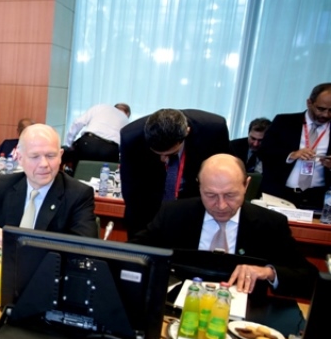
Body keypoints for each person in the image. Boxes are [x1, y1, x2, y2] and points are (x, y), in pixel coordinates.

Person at [132, 154, 317, 299]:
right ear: (199, 186)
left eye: (230, 195)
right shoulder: (174, 214)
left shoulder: (270, 224)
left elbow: (309, 277)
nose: (221, 205)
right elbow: (131, 252)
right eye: (210, 195)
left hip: (245, 321)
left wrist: (268, 272)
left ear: (246, 185)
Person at [0, 124, 98, 247]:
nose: (44, 164)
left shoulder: (78, 194)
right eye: (35, 156)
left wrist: (13, 240)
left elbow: (84, 247)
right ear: (19, 158)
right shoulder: (3, 185)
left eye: (50, 156)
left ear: (60, 156)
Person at [120, 108, 230, 236]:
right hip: (149, 206)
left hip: (193, 206)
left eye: (170, 154)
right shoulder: (131, 137)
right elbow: (131, 191)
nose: (163, 159)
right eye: (158, 154)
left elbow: (222, 174)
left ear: (186, 132)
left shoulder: (213, 129)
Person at [259, 83, 331, 210]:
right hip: (280, 194)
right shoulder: (284, 122)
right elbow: (264, 151)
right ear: (309, 103)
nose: (326, 115)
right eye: (321, 109)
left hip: (317, 198)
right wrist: (291, 155)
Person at [64, 103, 130, 166]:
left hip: (88, 143)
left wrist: (68, 145)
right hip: (110, 150)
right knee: (106, 172)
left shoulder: (101, 107)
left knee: (77, 170)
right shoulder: (126, 121)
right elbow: (126, 144)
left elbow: (78, 123)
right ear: (127, 114)